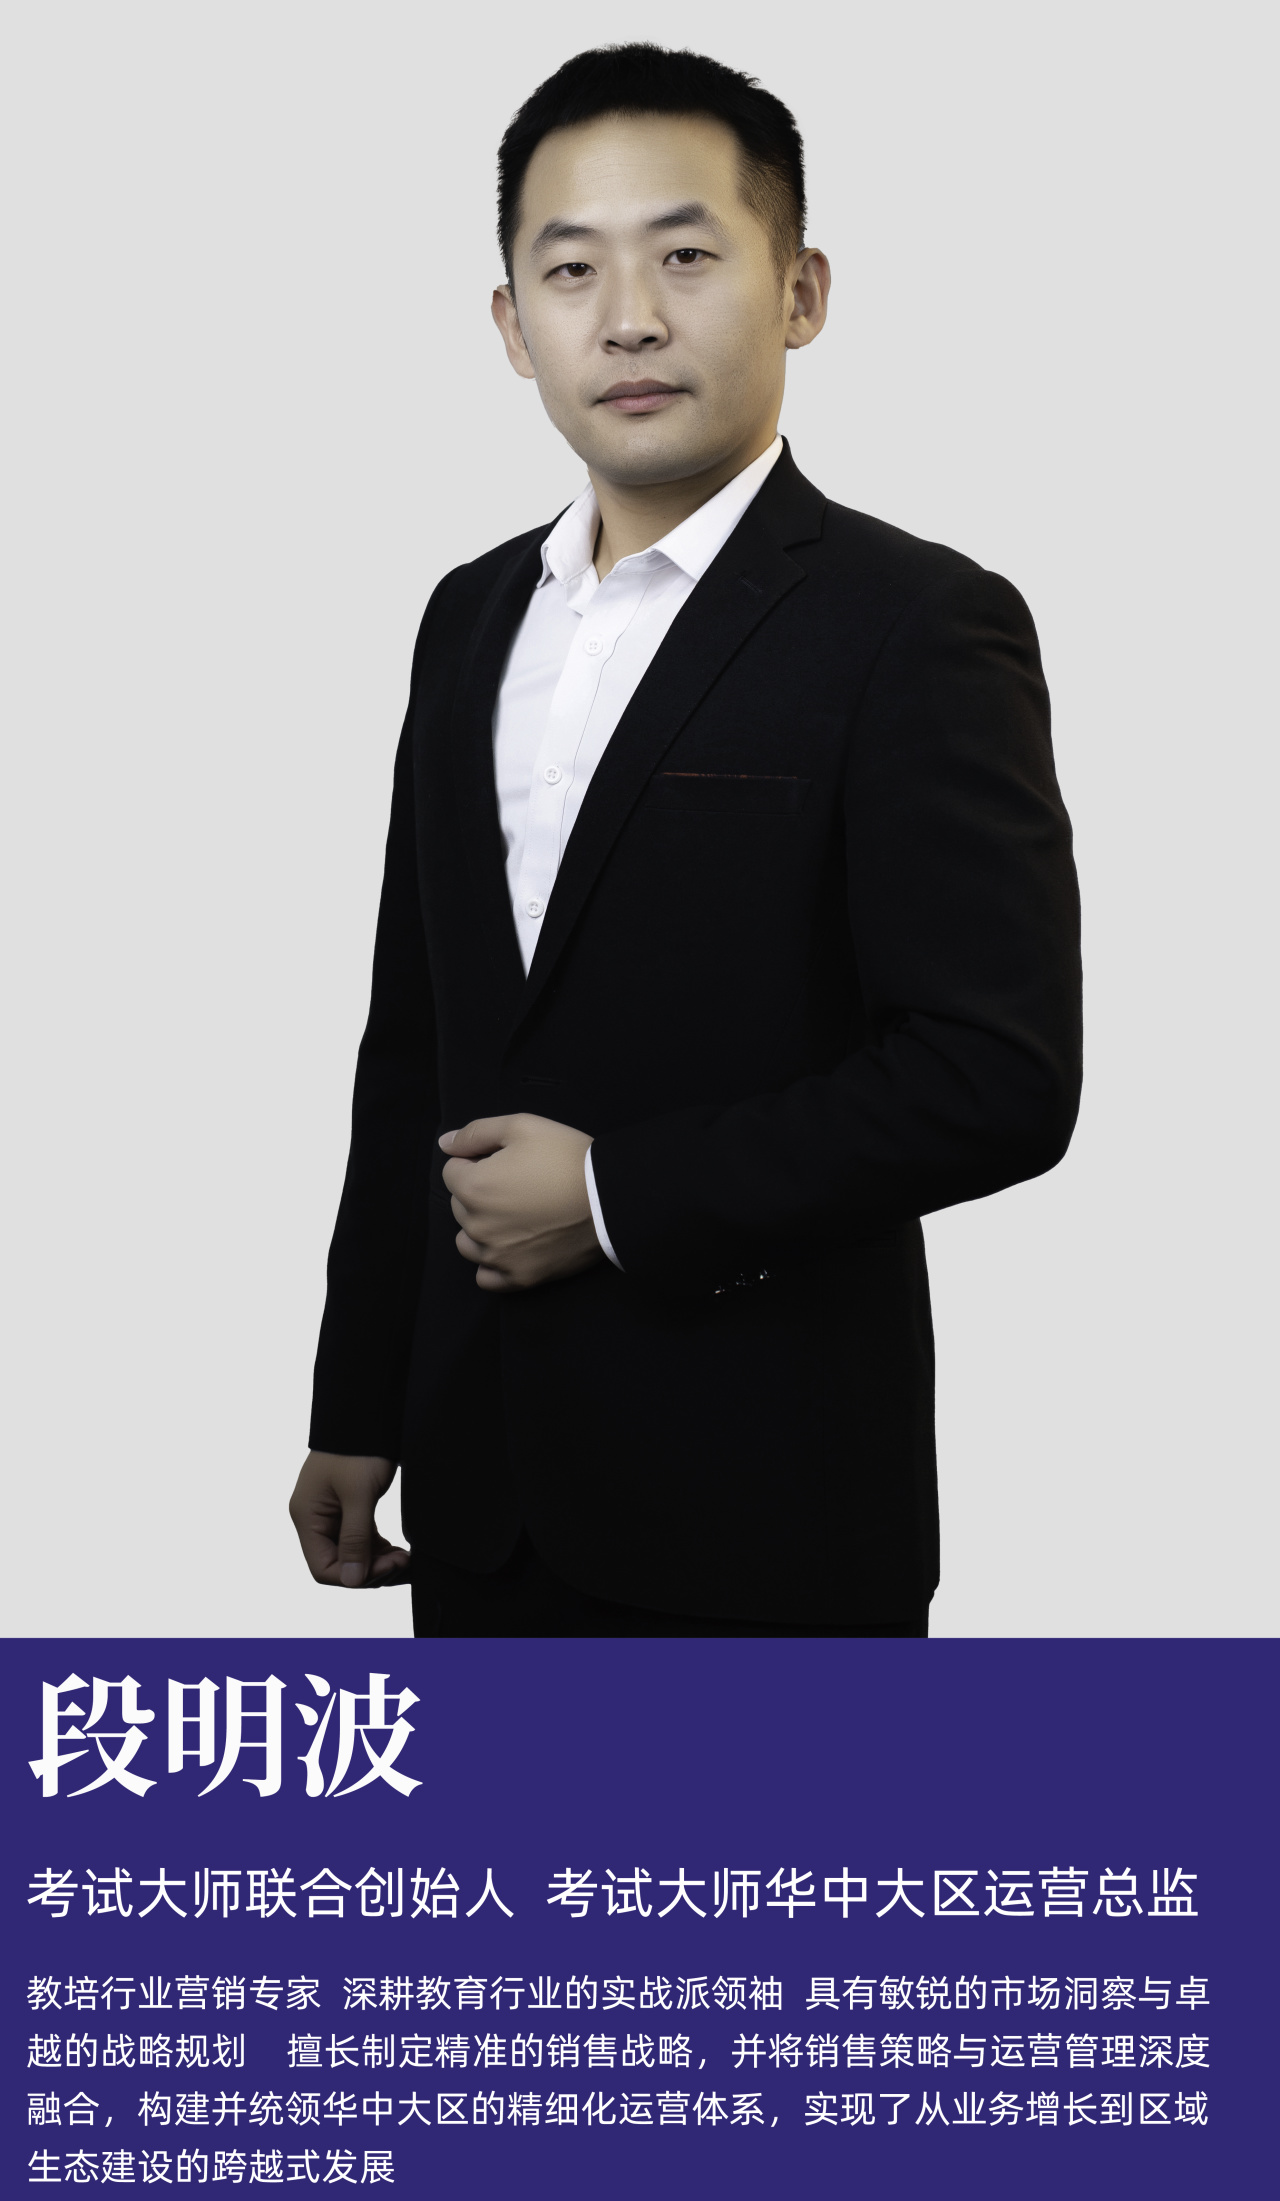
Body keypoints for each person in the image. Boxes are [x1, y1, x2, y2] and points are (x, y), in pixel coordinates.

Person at [289, 43, 1082, 1638]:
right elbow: (420, 1037)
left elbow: (995, 1074)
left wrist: (614, 1194)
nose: (630, 317)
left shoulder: (918, 623)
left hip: (763, 1505)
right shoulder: (467, 617)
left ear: (802, 292)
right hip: (479, 1484)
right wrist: (357, 1394)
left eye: (688, 256)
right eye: (571, 269)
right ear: (512, 325)